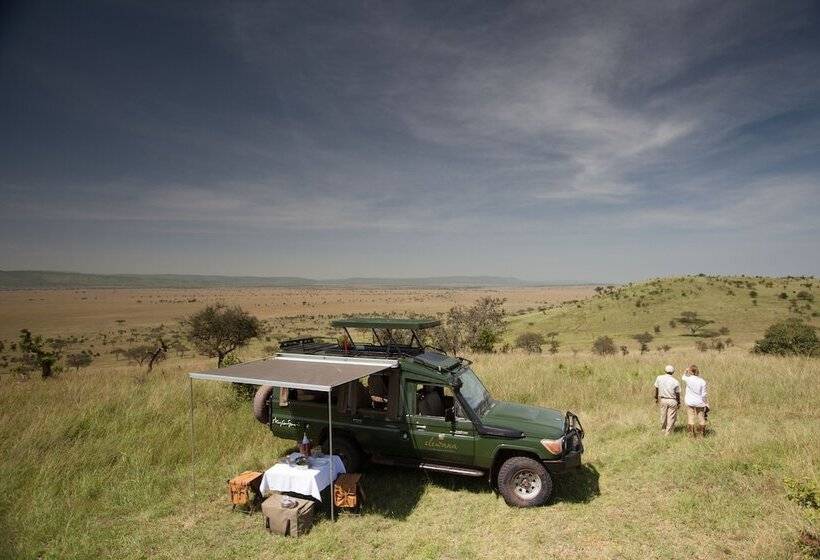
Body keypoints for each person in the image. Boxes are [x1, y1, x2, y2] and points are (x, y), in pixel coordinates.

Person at [682, 365, 708, 437]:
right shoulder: (702, 381)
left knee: (690, 418)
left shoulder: (688, 379)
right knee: (701, 418)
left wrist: (686, 371)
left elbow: (683, 377)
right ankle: (702, 435)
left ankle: (691, 435)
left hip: (690, 401)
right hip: (700, 402)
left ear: (690, 371)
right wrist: (706, 402)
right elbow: (704, 394)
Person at [654, 365, 680, 435]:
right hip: (672, 400)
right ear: (673, 372)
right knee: (671, 417)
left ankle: (663, 429)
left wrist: (656, 397)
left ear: (665, 371)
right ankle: (668, 433)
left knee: (663, 415)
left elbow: (657, 388)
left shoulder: (659, 378)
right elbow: (677, 393)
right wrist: (679, 402)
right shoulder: (675, 381)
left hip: (663, 399)